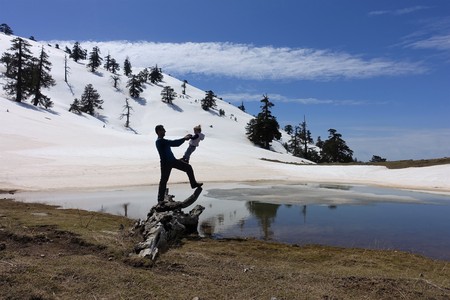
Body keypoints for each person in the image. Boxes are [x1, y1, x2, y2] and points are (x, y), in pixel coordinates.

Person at [155, 125, 203, 202]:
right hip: (166, 164)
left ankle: (193, 184)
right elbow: (175, 143)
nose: (165, 131)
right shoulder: (160, 141)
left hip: (172, 161)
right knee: (163, 181)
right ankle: (160, 200)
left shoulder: (162, 141)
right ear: (159, 131)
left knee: (188, 168)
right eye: (163, 130)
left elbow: (174, 144)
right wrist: (184, 138)